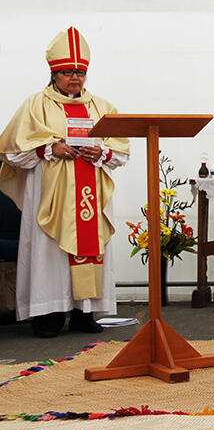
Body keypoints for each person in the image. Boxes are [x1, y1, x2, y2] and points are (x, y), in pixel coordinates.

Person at [0, 26, 130, 338]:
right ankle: (49, 314)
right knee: (51, 254)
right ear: (54, 73)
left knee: (90, 249)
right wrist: (49, 148)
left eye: (80, 72)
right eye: (68, 72)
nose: (75, 78)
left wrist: (101, 152)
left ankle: (84, 313)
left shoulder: (102, 107)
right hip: (52, 196)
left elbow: (122, 151)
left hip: (90, 194)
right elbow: (11, 152)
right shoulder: (36, 105)